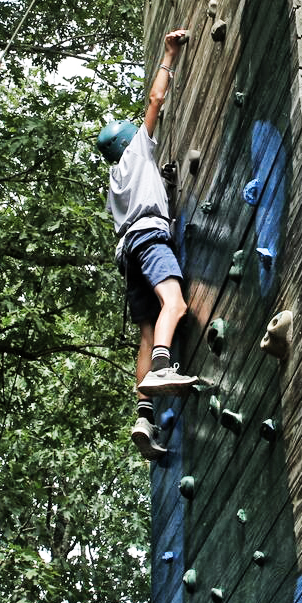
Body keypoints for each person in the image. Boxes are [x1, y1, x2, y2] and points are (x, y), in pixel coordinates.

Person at [99, 27, 199, 461]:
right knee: (175, 304)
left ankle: (143, 414)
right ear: (128, 141)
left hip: (127, 253)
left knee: (146, 329)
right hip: (150, 238)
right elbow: (155, 101)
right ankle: (161, 365)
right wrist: (169, 55)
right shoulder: (137, 151)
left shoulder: (114, 180)